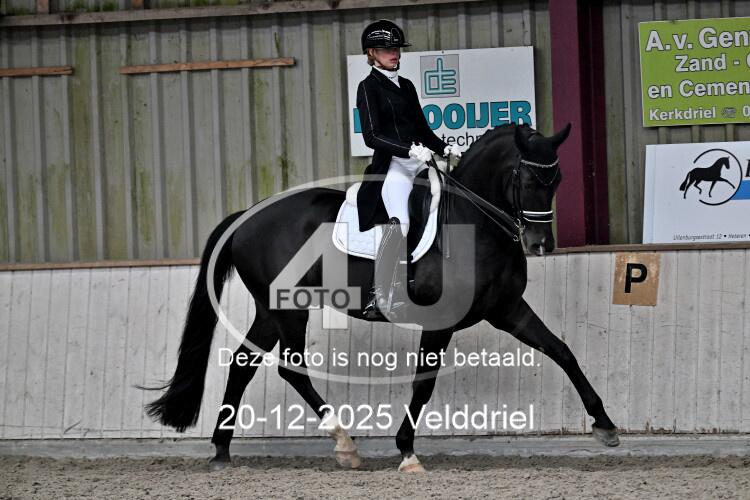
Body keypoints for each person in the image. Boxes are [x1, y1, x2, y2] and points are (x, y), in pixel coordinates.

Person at [356, 19, 461, 321]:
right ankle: (380, 295)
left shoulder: (407, 85)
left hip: (420, 162)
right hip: (393, 166)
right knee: (400, 222)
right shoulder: (368, 88)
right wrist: (407, 149)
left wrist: (444, 147)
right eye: (386, 49)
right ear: (372, 53)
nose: (394, 54)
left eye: (396, 49)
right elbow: (371, 136)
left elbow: (423, 130)